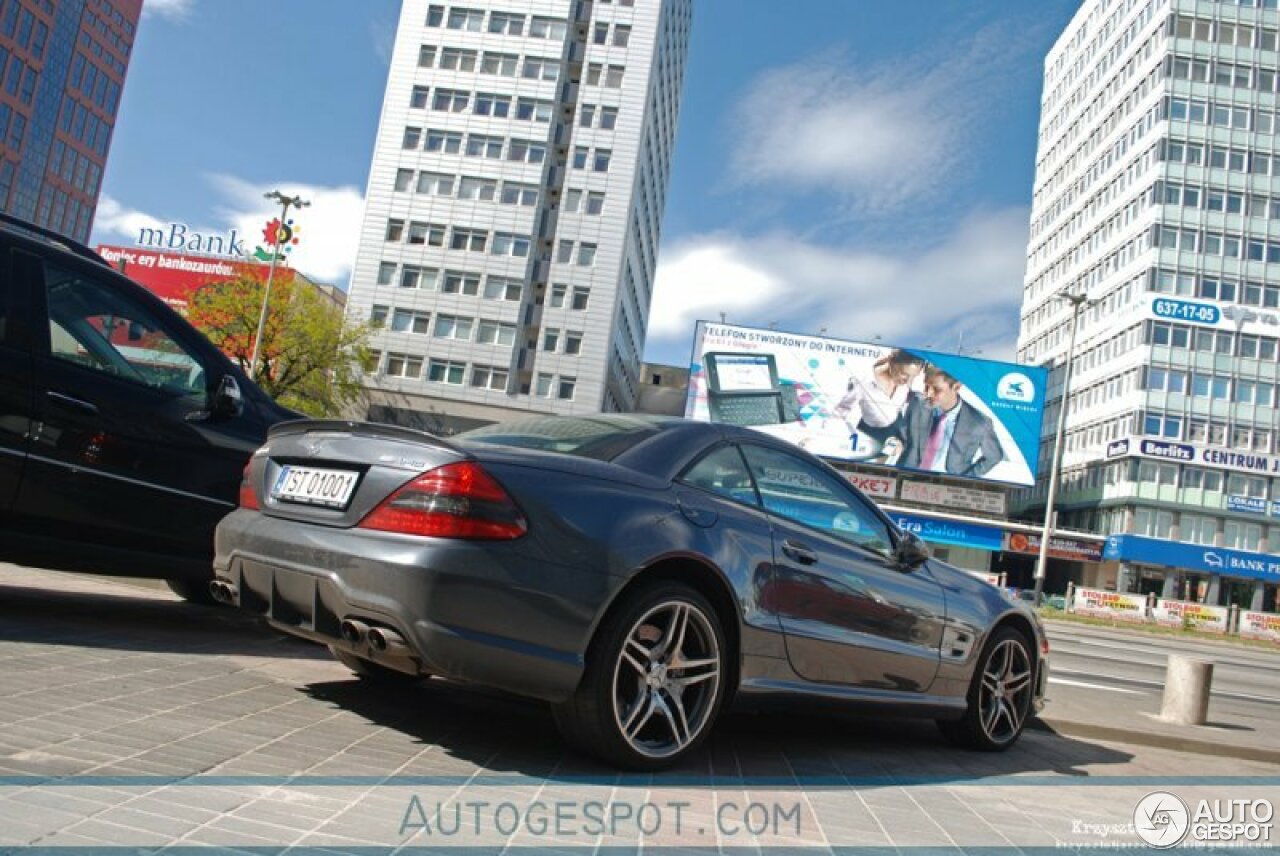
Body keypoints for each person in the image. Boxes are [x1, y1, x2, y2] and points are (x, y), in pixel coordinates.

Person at [898, 365, 1004, 478]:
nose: (928, 393)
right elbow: (901, 433)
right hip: (906, 478)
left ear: (956, 387)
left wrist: (967, 479)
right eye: (926, 386)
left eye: (937, 389)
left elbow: (994, 456)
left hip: (947, 488)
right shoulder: (917, 404)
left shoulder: (980, 422)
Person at [832, 349, 926, 431]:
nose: (908, 381)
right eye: (904, 374)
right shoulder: (864, 380)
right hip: (868, 431)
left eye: (913, 376)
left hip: (895, 430)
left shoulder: (908, 382)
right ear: (891, 361)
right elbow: (841, 410)